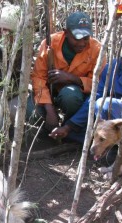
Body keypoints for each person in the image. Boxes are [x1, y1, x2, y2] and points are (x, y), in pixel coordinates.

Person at [49, 25, 122, 144]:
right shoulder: (113, 68)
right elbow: (95, 97)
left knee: (105, 104)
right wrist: (69, 126)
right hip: (115, 120)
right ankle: (111, 146)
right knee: (76, 132)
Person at [31, 11, 104, 141]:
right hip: (49, 93)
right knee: (30, 111)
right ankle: (47, 134)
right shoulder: (50, 43)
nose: (82, 43)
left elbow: (98, 84)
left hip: (76, 97)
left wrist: (72, 79)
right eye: (77, 38)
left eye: (86, 38)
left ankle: (69, 130)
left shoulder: (97, 49)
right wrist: (50, 110)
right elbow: (38, 77)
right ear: (66, 32)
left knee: (70, 96)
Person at [0, 4, 34, 128]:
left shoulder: (24, 51)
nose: (1, 35)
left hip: (14, 98)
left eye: (7, 31)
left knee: (32, 109)